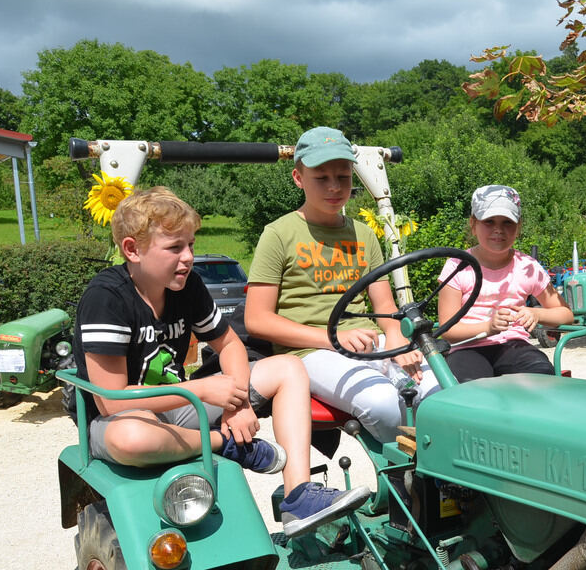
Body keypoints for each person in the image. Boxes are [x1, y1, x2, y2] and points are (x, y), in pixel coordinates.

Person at [72, 186, 367, 538]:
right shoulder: (106, 298)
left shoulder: (187, 286)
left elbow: (229, 345)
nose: (188, 257)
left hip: (178, 404)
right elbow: (110, 399)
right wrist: (203, 391)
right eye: (174, 248)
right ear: (132, 250)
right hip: (123, 417)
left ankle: (298, 496)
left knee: (288, 367)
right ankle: (223, 444)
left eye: (191, 245)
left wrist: (238, 401)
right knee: (131, 437)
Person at [244, 126, 438, 447]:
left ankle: (440, 486)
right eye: (322, 178)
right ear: (298, 178)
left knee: (440, 393)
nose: (335, 187)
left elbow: (385, 308)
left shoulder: (363, 234)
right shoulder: (278, 234)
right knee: (384, 403)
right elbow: (257, 319)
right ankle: (404, 481)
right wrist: (333, 339)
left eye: (344, 177)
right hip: (310, 351)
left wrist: (396, 340)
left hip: (369, 342)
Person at [436, 185, 573, 382]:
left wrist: (536, 313)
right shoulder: (457, 266)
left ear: (518, 228)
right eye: (489, 221)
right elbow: (447, 330)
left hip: (513, 345)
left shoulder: (528, 267)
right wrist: (488, 327)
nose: (498, 230)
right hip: (467, 348)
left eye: (507, 222)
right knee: (472, 388)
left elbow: (565, 314)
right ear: (473, 225)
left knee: (541, 375)